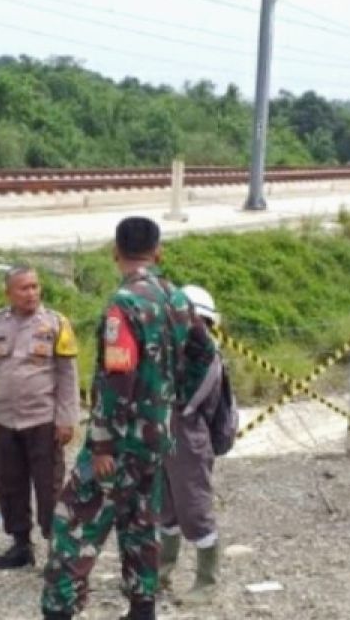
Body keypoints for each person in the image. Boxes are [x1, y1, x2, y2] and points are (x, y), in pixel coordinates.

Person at [41, 216, 210, 620]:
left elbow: (119, 376)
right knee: (139, 522)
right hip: (155, 441)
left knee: (73, 527)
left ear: (116, 252)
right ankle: (142, 607)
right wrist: (173, 401)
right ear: (158, 252)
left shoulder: (124, 305)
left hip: (118, 443)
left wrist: (101, 444)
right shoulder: (177, 298)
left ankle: (60, 610)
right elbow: (205, 354)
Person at [0, 265, 80, 569]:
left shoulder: (56, 324)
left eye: (34, 287)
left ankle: (57, 548)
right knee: (8, 483)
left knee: (49, 487)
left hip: (42, 421)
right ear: (9, 293)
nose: (31, 293)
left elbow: (68, 375)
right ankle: (20, 545)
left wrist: (67, 419)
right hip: (6, 421)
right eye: (23, 288)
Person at [158, 283, 223, 605]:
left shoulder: (207, 355)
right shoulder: (175, 350)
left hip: (187, 433)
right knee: (165, 506)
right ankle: (162, 569)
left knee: (194, 507)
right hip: (166, 430)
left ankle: (206, 581)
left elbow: (189, 402)